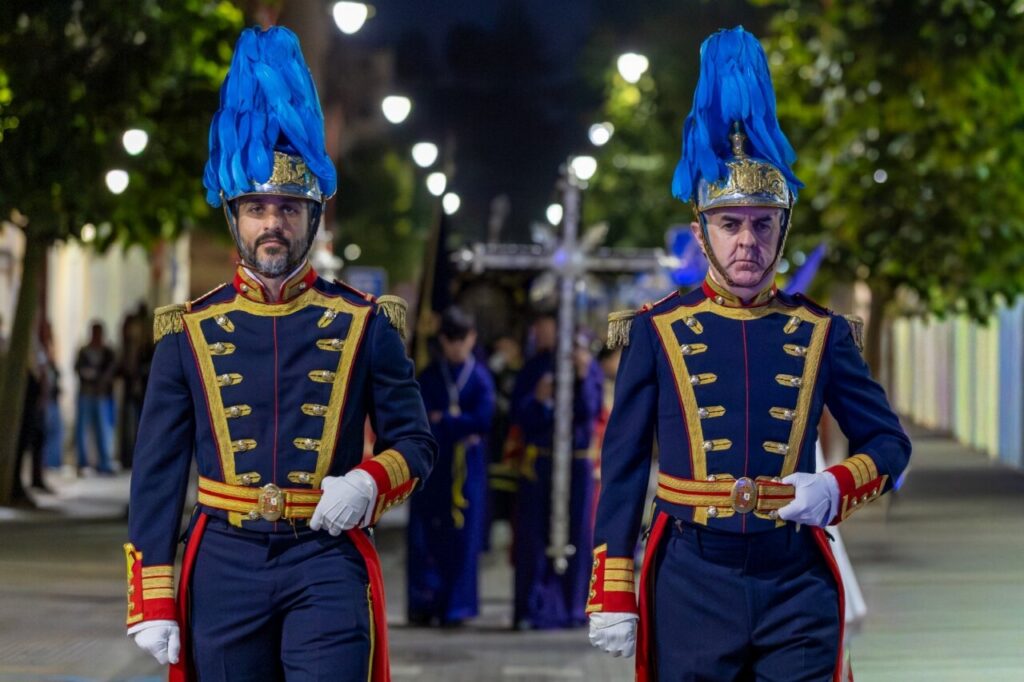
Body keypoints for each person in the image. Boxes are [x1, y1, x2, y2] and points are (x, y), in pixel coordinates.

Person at [586, 27, 912, 681]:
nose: (747, 243)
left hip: (795, 578)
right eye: (730, 225)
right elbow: (621, 471)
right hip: (690, 577)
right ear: (700, 234)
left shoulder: (823, 332)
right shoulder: (658, 329)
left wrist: (834, 487)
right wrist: (612, 589)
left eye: (763, 225)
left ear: (782, 232)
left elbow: (889, 444)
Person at [124, 26, 436, 682]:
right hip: (224, 561)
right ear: (234, 216)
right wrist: (152, 592)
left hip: (324, 559)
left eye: (290, 207)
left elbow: (416, 442)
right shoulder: (188, 330)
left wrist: (368, 482)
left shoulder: (365, 322)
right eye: (258, 207)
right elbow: (157, 472)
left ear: (314, 216)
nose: (274, 223)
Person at [509, 316, 603, 629]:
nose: (541, 332)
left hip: (576, 462)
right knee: (533, 535)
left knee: (578, 534)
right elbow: (518, 414)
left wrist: (582, 373)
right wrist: (539, 399)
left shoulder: (588, 366)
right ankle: (532, 608)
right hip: (542, 461)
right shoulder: (535, 366)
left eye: (547, 326)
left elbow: (591, 410)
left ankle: (573, 606)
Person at [407, 306, 495, 626]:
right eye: (451, 339)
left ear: (472, 338)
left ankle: (458, 607)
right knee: (426, 533)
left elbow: (484, 420)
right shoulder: (430, 376)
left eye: (463, 338)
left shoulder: (481, 377)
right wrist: (459, 424)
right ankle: (425, 601)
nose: (457, 345)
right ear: (442, 340)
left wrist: (447, 420)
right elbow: (423, 419)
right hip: (435, 464)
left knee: (464, 535)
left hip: (467, 468)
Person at [74, 321, 116, 475]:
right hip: (86, 394)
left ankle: (103, 462)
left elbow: (111, 371)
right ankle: (82, 462)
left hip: (102, 396)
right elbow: (77, 368)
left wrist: (100, 378)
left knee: (103, 430)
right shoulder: (84, 351)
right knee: (82, 429)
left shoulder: (108, 352)